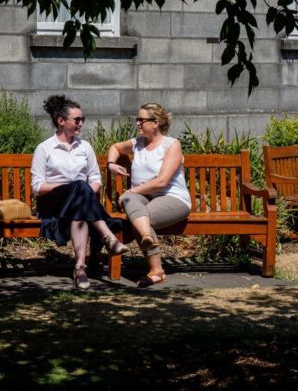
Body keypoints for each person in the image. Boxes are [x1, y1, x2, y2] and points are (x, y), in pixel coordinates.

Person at [31, 95, 129, 289]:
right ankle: (108, 238)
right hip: (53, 203)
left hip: (81, 204)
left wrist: (81, 193)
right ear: (61, 121)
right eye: (77, 120)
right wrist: (70, 189)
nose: (81, 124)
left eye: (82, 119)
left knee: (81, 197)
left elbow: (95, 180)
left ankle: (79, 268)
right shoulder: (44, 149)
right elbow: (37, 187)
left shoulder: (85, 147)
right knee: (78, 186)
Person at [107, 103, 192, 287]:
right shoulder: (137, 143)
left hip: (173, 197)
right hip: (144, 198)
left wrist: (132, 190)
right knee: (131, 202)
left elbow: (162, 181)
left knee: (138, 217)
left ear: (156, 122)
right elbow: (115, 147)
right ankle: (154, 259)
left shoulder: (172, 145)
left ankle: (156, 268)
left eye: (141, 120)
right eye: (137, 119)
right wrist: (111, 164)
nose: (137, 123)